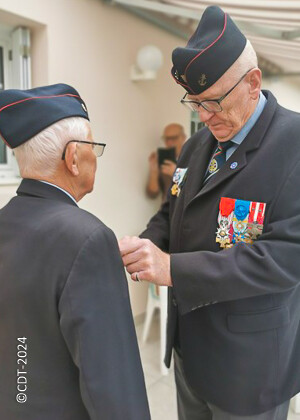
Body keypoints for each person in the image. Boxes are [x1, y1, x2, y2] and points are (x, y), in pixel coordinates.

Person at [119, 5, 300, 420]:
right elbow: (171, 212)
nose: (203, 115)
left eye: (214, 101)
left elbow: (284, 257)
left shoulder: (294, 144)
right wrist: (146, 244)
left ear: (253, 83)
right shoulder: (196, 145)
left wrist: (173, 270)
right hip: (191, 353)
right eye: (195, 102)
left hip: (249, 369)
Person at [0, 83, 150, 420]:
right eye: (93, 147)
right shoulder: (88, 239)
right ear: (72, 158)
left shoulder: (6, 220)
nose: (95, 157)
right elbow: (113, 384)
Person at [146, 123, 186, 202]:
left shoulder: (195, 158)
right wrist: (153, 172)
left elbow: (197, 190)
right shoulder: (164, 161)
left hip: (187, 212)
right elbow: (152, 194)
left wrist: (176, 174)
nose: (169, 143)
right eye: (166, 139)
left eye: (174, 138)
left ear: (183, 138)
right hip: (168, 212)